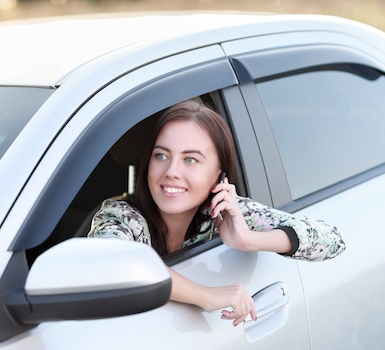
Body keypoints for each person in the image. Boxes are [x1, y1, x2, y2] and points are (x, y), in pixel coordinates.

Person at [88, 98, 346, 326]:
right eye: (161, 156)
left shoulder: (227, 213)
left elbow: (332, 240)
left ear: (219, 174)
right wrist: (206, 295)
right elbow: (111, 262)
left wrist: (250, 239)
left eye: (190, 160)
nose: (171, 171)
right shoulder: (121, 215)